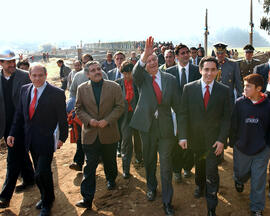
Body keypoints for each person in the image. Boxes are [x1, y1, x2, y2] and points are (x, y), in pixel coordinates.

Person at [7, 64, 68, 216]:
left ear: (46, 75)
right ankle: (46, 196)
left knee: (42, 172)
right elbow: (19, 115)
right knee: (39, 173)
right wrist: (12, 133)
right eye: (34, 75)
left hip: (48, 140)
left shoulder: (57, 93)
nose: (37, 78)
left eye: (40, 75)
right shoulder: (25, 90)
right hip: (30, 140)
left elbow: (62, 119)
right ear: (29, 76)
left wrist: (62, 138)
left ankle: (47, 204)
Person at [130, 36, 181, 216]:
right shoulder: (141, 78)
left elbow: (178, 107)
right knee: (150, 159)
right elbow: (135, 72)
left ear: (158, 61)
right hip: (147, 127)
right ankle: (151, 186)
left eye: (153, 60)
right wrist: (144, 54)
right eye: (148, 60)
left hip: (166, 128)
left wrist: (181, 131)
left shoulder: (170, 79)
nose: (151, 63)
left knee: (166, 165)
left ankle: (167, 201)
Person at [179, 56, 231, 216]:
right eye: (206, 69)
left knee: (212, 172)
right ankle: (199, 185)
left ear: (217, 71)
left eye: (213, 70)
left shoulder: (224, 91)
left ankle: (211, 207)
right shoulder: (189, 88)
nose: (209, 73)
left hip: (214, 142)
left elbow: (226, 118)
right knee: (200, 166)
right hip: (195, 140)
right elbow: (183, 114)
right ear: (200, 70)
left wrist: (222, 140)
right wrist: (183, 136)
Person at [75, 61, 124, 210]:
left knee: (110, 160)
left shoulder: (114, 86)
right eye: (93, 70)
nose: (97, 72)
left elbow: (120, 106)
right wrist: (89, 121)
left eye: (98, 69)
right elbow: (78, 108)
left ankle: (111, 179)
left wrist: (107, 121)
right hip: (90, 134)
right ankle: (87, 198)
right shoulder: (81, 89)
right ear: (87, 74)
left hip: (109, 132)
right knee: (89, 166)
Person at [230, 74, 270, 216]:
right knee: (241, 173)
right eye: (244, 85)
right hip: (242, 148)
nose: (244, 88)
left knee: (258, 179)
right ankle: (239, 180)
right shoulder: (240, 103)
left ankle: (257, 207)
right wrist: (233, 142)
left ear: (259, 89)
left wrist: (267, 146)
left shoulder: (268, 105)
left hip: (261, 149)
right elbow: (233, 124)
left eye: (248, 86)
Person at [0, 50, 35, 208]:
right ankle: (29, 178)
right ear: (1, 63)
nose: (12, 64)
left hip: (22, 124)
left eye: (13, 61)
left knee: (12, 158)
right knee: (19, 152)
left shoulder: (24, 75)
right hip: (5, 125)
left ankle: (5, 196)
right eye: (8, 62)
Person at [167, 44, 201, 182]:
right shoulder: (169, 72)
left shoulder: (197, 70)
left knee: (190, 142)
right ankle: (176, 170)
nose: (186, 55)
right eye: (182, 53)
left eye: (187, 52)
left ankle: (187, 167)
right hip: (174, 114)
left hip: (192, 114)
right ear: (177, 56)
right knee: (176, 143)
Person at [68, 54, 108, 171]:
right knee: (82, 138)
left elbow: (109, 92)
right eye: (84, 62)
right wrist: (73, 108)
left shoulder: (102, 75)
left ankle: (103, 162)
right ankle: (78, 162)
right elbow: (72, 93)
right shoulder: (77, 76)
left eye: (89, 61)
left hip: (100, 113)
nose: (86, 63)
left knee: (101, 138)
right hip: (83, 115)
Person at [115, 60, 143, 179]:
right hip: (124, 117)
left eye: (129, 72)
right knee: (126, 142)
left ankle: (140, 158)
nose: (127, 75)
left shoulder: (138, 83)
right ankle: (126, 169)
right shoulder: (117, 84)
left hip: (138, 116)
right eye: (125, 73)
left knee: (139, 139)